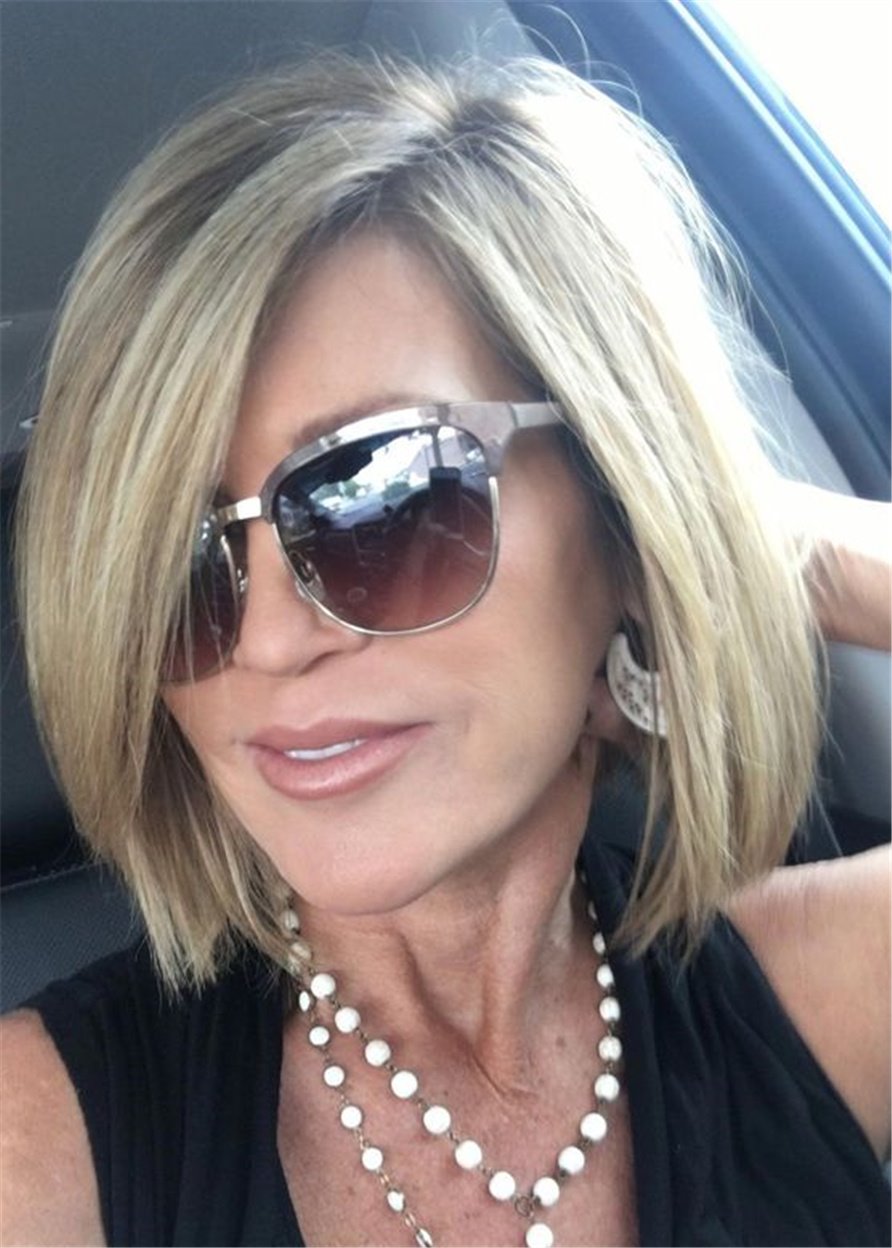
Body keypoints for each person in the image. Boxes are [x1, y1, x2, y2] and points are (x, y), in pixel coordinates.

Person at [1, 53, 889, 1248]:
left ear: (619, 501)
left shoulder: (810, 998)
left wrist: (719, 536)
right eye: (172, 562)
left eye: (383, 496)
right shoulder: (36, 1144)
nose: (267, 640)